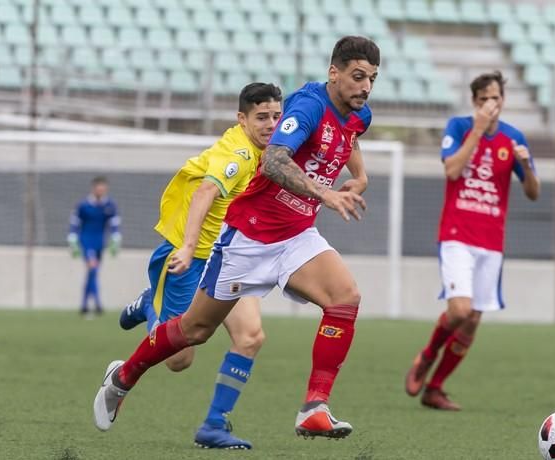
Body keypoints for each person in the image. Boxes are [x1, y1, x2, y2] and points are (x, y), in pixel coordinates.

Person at [93, 35, 380, 441]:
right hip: (249, 237)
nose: (365, 87)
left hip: (296, 236)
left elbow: (350, 134)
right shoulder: (309, 104)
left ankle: (314, 407)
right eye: (357, 76)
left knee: (345, 299)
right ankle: (122, 378)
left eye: (371, 78)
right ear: (334, 73)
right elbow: (276, 159)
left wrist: (361, 177)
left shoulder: (358, 112)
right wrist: (325, 193)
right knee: (193, 332)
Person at [116, 82, 283, 449]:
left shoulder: (272, 148)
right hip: (191, 256)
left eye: (276, 115)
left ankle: (213, 426)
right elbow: (206, 192)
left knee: (251, 336)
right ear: (242, 119)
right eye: (262, 117)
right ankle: (149, 305)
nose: (272, 123)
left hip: (230, 259)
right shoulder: (238, 152)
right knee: (180, 360)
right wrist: (189, 247)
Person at [404, 71, 540, 410]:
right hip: (456, 234)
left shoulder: (514, 138)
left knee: (474, 318)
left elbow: (534, 193)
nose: (489, 105)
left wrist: (526, 165)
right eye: (482, 100)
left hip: (491, 241)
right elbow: (451, 170)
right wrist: (478, 130)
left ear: (502, 100)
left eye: (494, 99)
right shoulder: (459, 126)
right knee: (460, 310)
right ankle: (427, 354)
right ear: (474, 101)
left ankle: (435, 387)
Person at [68, 176, 121, 316]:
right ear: (94, 188)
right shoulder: (84, 205)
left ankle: (84, 306)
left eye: (103, 188)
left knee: (93, 272)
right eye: (99, 188)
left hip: (99, 243)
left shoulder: (109, 205)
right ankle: (97, 304)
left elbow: (114, 224)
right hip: (86, 241)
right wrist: (72, 240)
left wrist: (116, 239)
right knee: (92, 268)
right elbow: (75, 223)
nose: (101, 191)